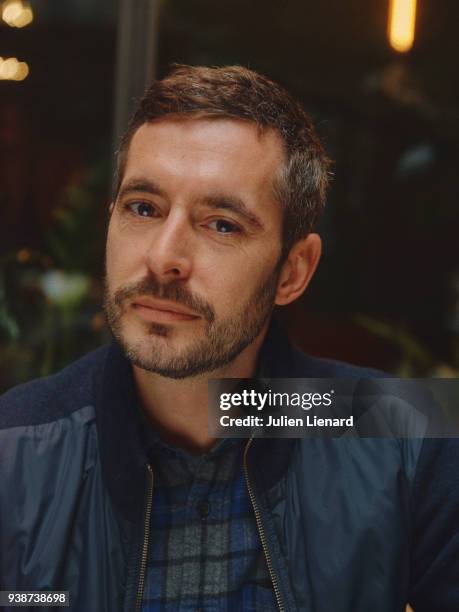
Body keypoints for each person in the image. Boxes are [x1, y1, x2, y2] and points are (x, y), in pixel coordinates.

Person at [0, 65, 458, 612]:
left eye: (222, 224)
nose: (163, 258)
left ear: (293, 271)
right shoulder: (14, 450)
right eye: (143, 208)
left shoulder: (405, 441)